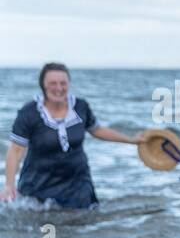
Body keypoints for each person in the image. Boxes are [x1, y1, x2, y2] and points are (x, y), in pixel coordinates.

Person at [3, 63, 142, 208]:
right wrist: (9, 185)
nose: (58, 88)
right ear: (42, 85)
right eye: (53, 83)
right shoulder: (29, 112)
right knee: (38, 224)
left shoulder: (80, 107)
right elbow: (15, 151)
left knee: (83, 222)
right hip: (39, 183)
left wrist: (132, 140)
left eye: (63, 83)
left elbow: (97, 130)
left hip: (77, 183)